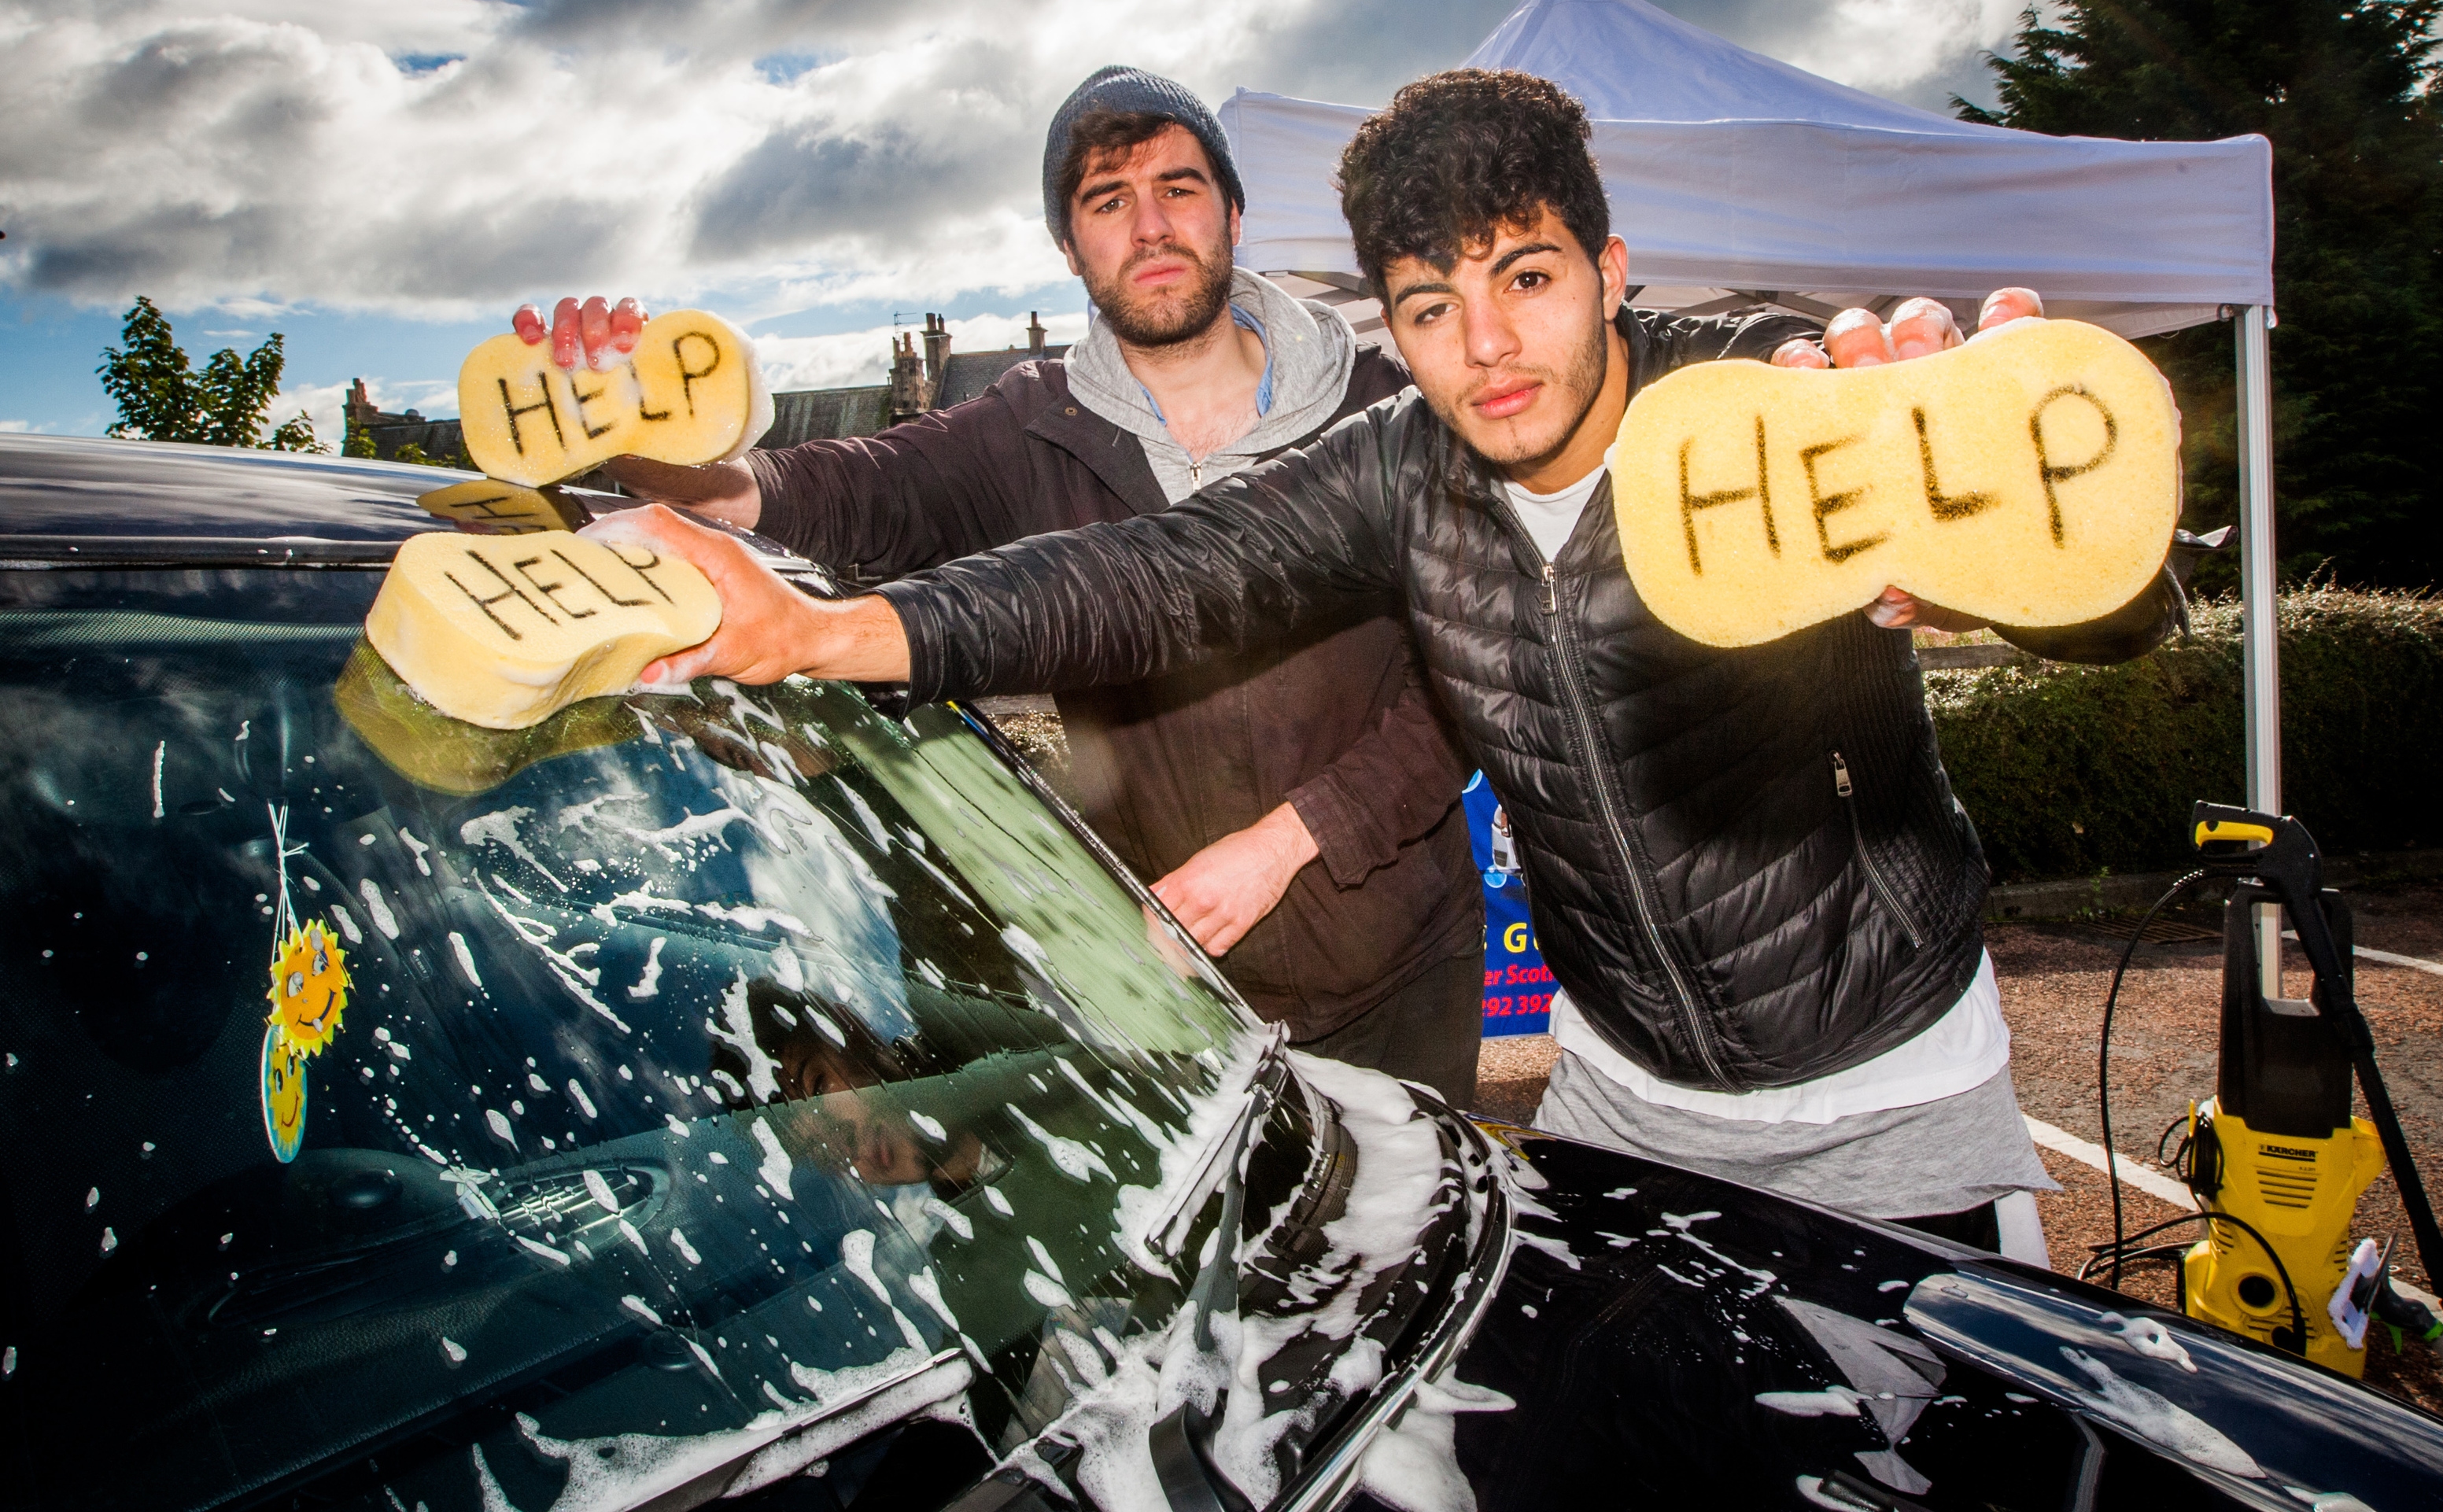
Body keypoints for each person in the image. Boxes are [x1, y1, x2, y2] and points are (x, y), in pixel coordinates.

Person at [587, 69, 2187, 1250]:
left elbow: (2116, 602)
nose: (1487, 349)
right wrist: (817, 630)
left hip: (1885, 1090)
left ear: (1614, 273)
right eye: (1432, 305)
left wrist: (2009, 559)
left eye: (1530, 279)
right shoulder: (1396, 468)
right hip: (1628, 1098)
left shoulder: (1752, 407)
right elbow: (1151, 578)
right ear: (1391, 324)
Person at [515, 67, 1485, 1109]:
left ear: (1234, 213)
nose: (1150, 225)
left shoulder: (1389, 412)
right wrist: (642, 441)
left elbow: (1467, 688)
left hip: (1403, 976)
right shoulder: (1027, 431)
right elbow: (836, 493)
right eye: (1108, 202)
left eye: (1179, 187)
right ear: (1071, 248)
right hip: (1183, 995)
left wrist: (1292, 836)